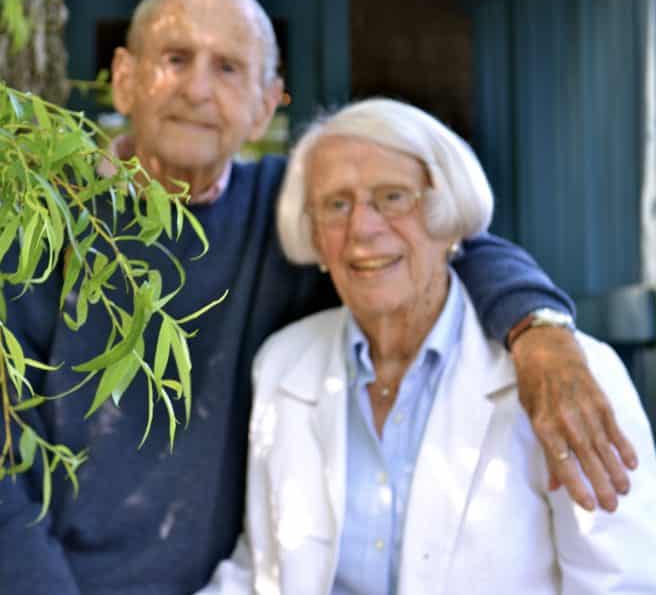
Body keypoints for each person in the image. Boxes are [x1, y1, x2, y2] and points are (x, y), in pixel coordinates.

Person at [0, 0, 636, 595]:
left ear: (266, 103)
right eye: (175, 59)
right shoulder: (35, 238)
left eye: (227, 67)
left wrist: (539, 328)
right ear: (123, 79)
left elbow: (446, 243)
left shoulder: (301, 215)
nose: (196, 88)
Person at [198, 98, 656, 594]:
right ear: (314, 238)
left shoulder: (568, 375)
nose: (362, 229)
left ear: (448, 216)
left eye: (393, 197)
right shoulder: (284, 363)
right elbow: (262, 571)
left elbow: (621, 581)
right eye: (336, 205)